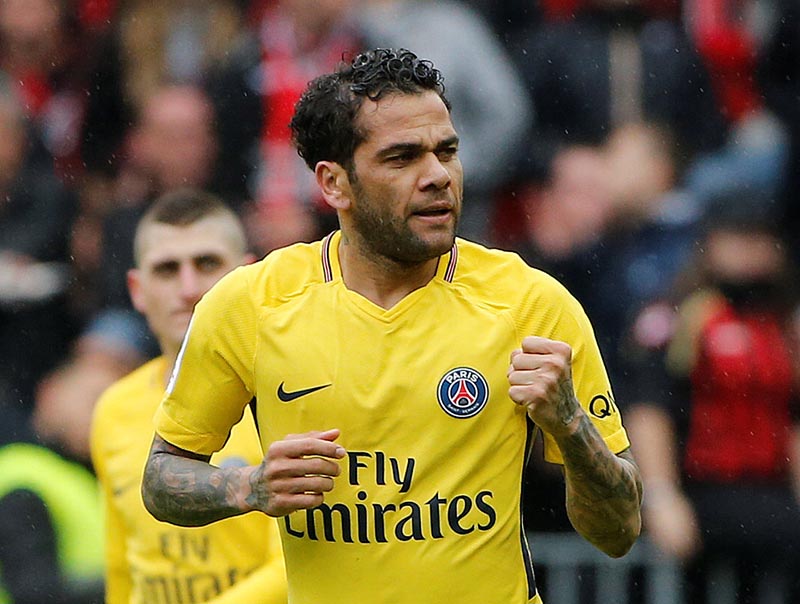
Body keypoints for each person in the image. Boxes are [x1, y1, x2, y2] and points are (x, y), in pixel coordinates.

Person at [141, 48, 642, 604]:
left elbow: (619, 530)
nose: (437, 177)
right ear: (334, 185)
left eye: (446, 152)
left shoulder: (529, 304)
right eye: (403, 158)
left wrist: (571, 425)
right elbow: (162, 478)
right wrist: (249, 486)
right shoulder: (250, 305)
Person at [90, 189, 287, 604]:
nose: (188, 287)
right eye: (166, 269)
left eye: (207, 263)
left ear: (246, 276)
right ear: (137, 289)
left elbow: (294, 565)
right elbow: (121, 568)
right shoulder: (113, 409)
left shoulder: (285, 395)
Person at [623, 194, 800, 602]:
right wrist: (662, 497)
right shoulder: (679, 314)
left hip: (770, 491)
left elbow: (792, 415)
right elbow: (650, 409)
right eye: (738, 238)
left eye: (760, 239)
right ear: (712, 242)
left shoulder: (782, 321)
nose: (751, 251)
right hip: (702, 491)